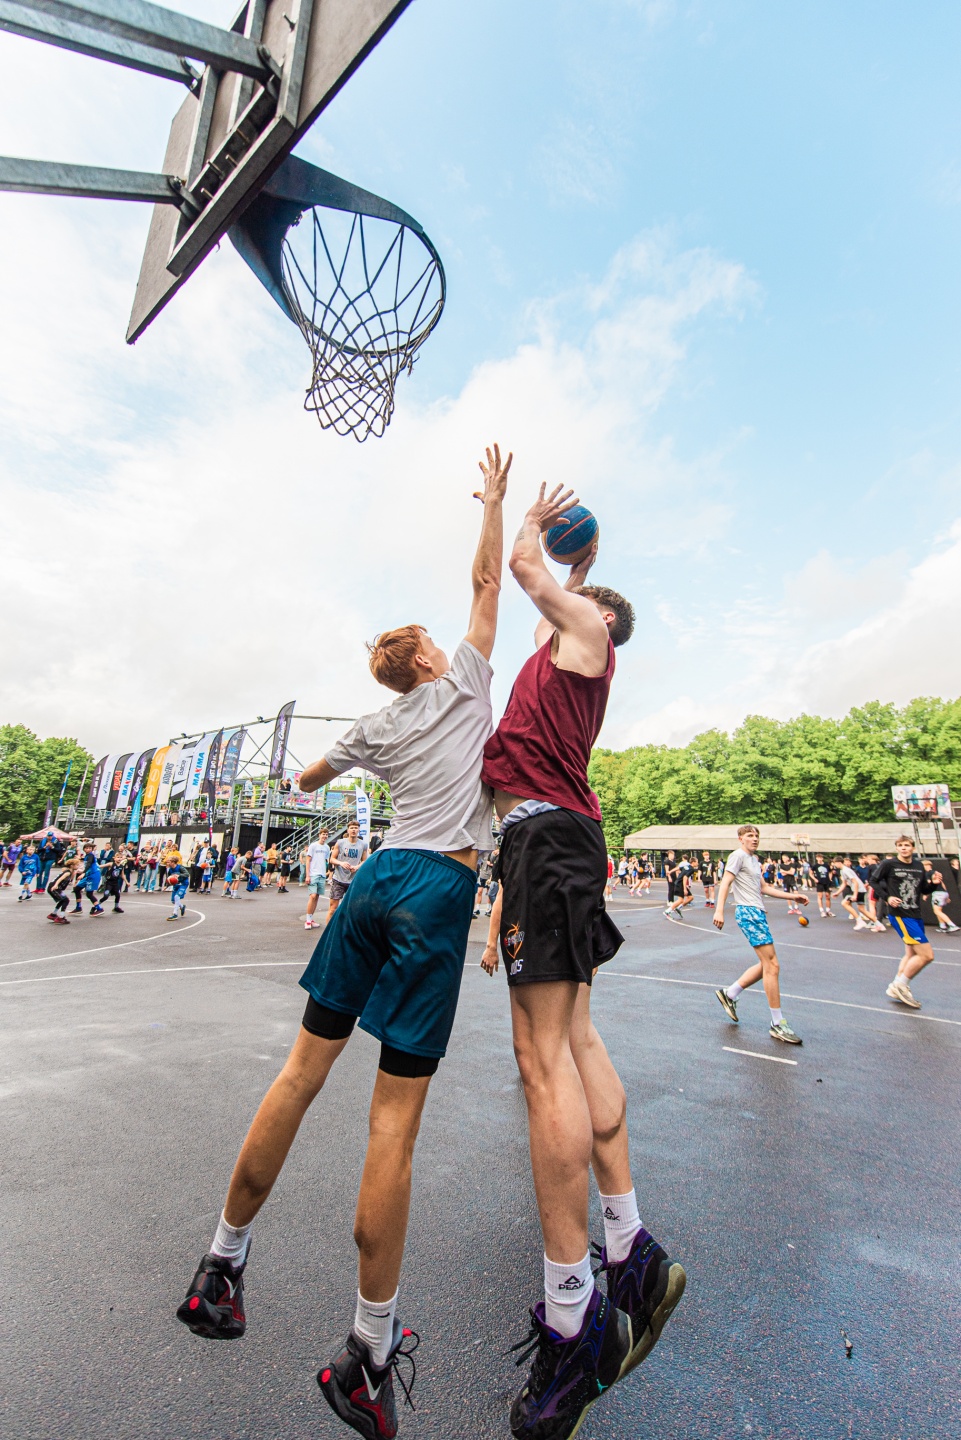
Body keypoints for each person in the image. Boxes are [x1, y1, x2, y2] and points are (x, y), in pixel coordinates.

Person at [175, 443, 509, 1440]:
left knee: (298, 1075)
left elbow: (308, 779)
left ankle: (219, 1266)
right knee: (391, 1128)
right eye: (435, 643)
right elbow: (486, 583)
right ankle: (365, 1350)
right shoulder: (463, 684)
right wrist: (491, 503)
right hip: (435, 887)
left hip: (374, 880)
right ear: (428, 660)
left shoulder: (376, 725)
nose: (450, 643)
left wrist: (306, 779)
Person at [479, 482, 684, 1440]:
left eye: (579, 598)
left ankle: (574, 1318)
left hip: (547, 841)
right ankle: (628, 1246)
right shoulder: (564, 655)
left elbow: (526, 574)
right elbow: (545, 610)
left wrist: (522, 521)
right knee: (577, 1041)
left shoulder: (587, 636)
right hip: (557, 843)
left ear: (595, 618)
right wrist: (582, 565)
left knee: (541, 1061)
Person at [713, 824, 807, 1045]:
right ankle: (777, 1023)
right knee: (772, 965)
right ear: (740, 838)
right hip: (748, 912)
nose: (754, 839)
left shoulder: (754, 860)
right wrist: (719, 910)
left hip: (757, 912)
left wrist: (792, 896)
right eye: (749, 835)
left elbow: (764, 888)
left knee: (767, 964)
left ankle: (730, 993)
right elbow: (726, 882)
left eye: (756, 835)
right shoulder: (737, 856)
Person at [873, 838, 945, 1007]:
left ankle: (896, 985)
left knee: (911, 954)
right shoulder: (889, 864)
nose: (903, 848)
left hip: (915, 913)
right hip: (900, 914)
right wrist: (887, 897)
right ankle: (900, 984)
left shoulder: (918, 865)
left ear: (913, 848)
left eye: (907, 845)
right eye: (900, 846)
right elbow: (873, 881)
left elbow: (923, 889)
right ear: (897, 848)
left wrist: (934, 884)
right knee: (927, 955)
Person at [326, 820, 368, 920]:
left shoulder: (363, 844)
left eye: (356, 828)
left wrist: (357, 867)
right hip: (338, 879)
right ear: (348, 830)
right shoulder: (340, 842)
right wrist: (341, 863)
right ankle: (329, 929)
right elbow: (332, 859)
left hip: (353, 881)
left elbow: (364, 861)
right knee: (332, 909)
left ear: (358, 830)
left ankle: (346, 929)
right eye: (351, 828)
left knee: (352, 909)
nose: (353, 830)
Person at [834, 856, 872, 930]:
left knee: (844, 903)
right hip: (859, 889)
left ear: (839, 863)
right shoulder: (842, 870)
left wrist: (855, 894)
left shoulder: (846, 870)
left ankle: (859, 921)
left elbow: (855, 882)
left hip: (859, 890)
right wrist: (837, 893)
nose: (834, 865)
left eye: (835, 863)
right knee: (862, 909)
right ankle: (877, 923)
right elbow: (844, 883)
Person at [304, 828, 331, 930]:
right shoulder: (313, 845)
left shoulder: (327, 847)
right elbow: (308, 860)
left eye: (326, 834)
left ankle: (311, 919)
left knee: (317, 897)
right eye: (323, 834)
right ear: (319, 835)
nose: (325, 836)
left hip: (322, 874)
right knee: (313, 896)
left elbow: (326, 860)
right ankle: (307, 920)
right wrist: (307, 875)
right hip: (313, 874)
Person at [924, 859, 959, 933]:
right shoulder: (936, 873)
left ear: (926, 866)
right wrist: (947, 895)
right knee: (938, 910)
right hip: (943, 893)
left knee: (937, 911)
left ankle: (952, 925)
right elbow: (942, 884)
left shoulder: (928, 874)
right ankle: (942, 926)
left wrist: (926, 894)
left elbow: (930, 885)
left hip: (938, 894)